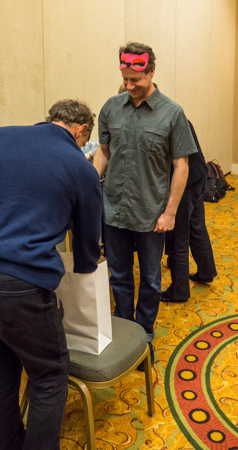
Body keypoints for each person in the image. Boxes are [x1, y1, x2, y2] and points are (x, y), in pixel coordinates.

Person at [0, 99, 102, 450]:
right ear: (82, 132)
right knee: (48, 376)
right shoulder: (81, 167)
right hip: (16, 287)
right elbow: (89, 248)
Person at [93, 41, 197, 368]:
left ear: (151, 71)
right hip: (114, 210)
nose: (128, 85)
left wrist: (170, 213)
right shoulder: (111, 107)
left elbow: (182, 165)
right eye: (124, 79)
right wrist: (85, 185)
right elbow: (104, 152)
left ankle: (143, 335)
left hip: (153, 213)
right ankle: (123, 330)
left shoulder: (172, 113)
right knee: (119, 276)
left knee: (150, 280)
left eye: (135, 79)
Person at [162, 121, 217, 303]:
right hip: (199, 173)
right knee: (197, 227)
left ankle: (179, 291)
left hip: (183, 179)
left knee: (179, 236)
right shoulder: (175, 113)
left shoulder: (158, 119)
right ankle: (206, 272)